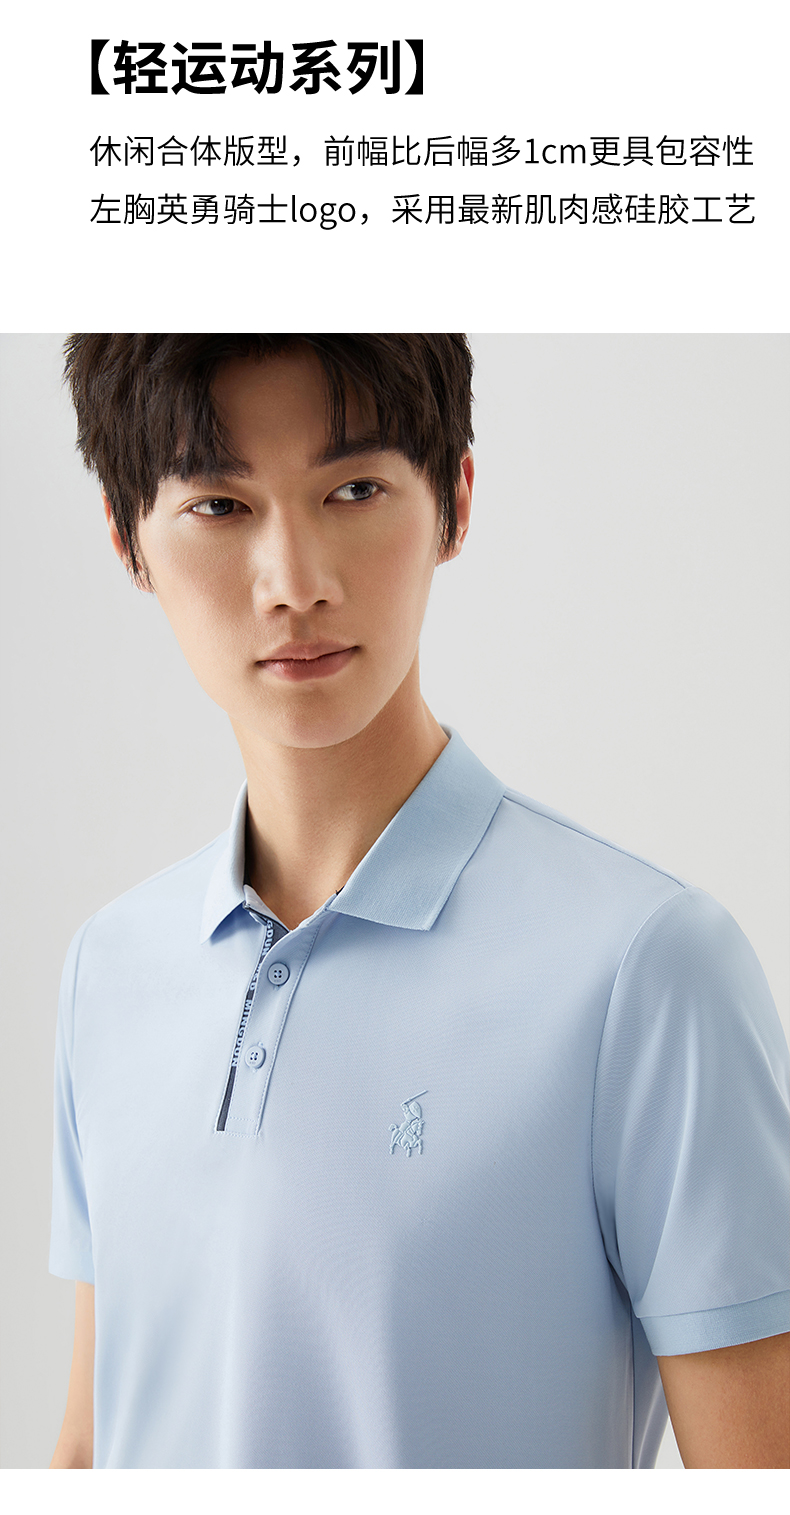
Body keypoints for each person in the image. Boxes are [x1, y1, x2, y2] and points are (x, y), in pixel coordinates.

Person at [49, 334, 789, 1470]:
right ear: (125, 538)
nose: (294, 582)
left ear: (455, 501)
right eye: (219, 506)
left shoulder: (644, 968)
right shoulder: (110, 968)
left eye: (353, 490)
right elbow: (91, 1447)